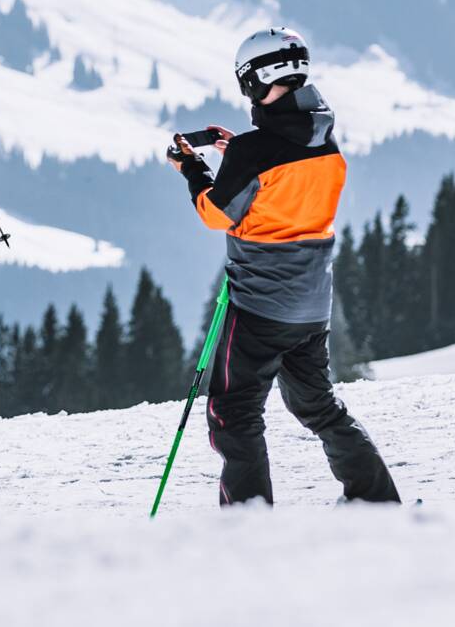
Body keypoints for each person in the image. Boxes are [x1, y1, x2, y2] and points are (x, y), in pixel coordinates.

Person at [168, 27, 400, 506]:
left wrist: (193, 169)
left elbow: (216, 212)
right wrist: (241, 157)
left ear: (254, 81)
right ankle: (375, 501)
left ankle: (248, 521)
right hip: (312, 305)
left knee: (234, 411)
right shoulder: (325, 142)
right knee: (317, 404)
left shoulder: (255, 151)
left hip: (258, 305)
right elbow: (284, 189)